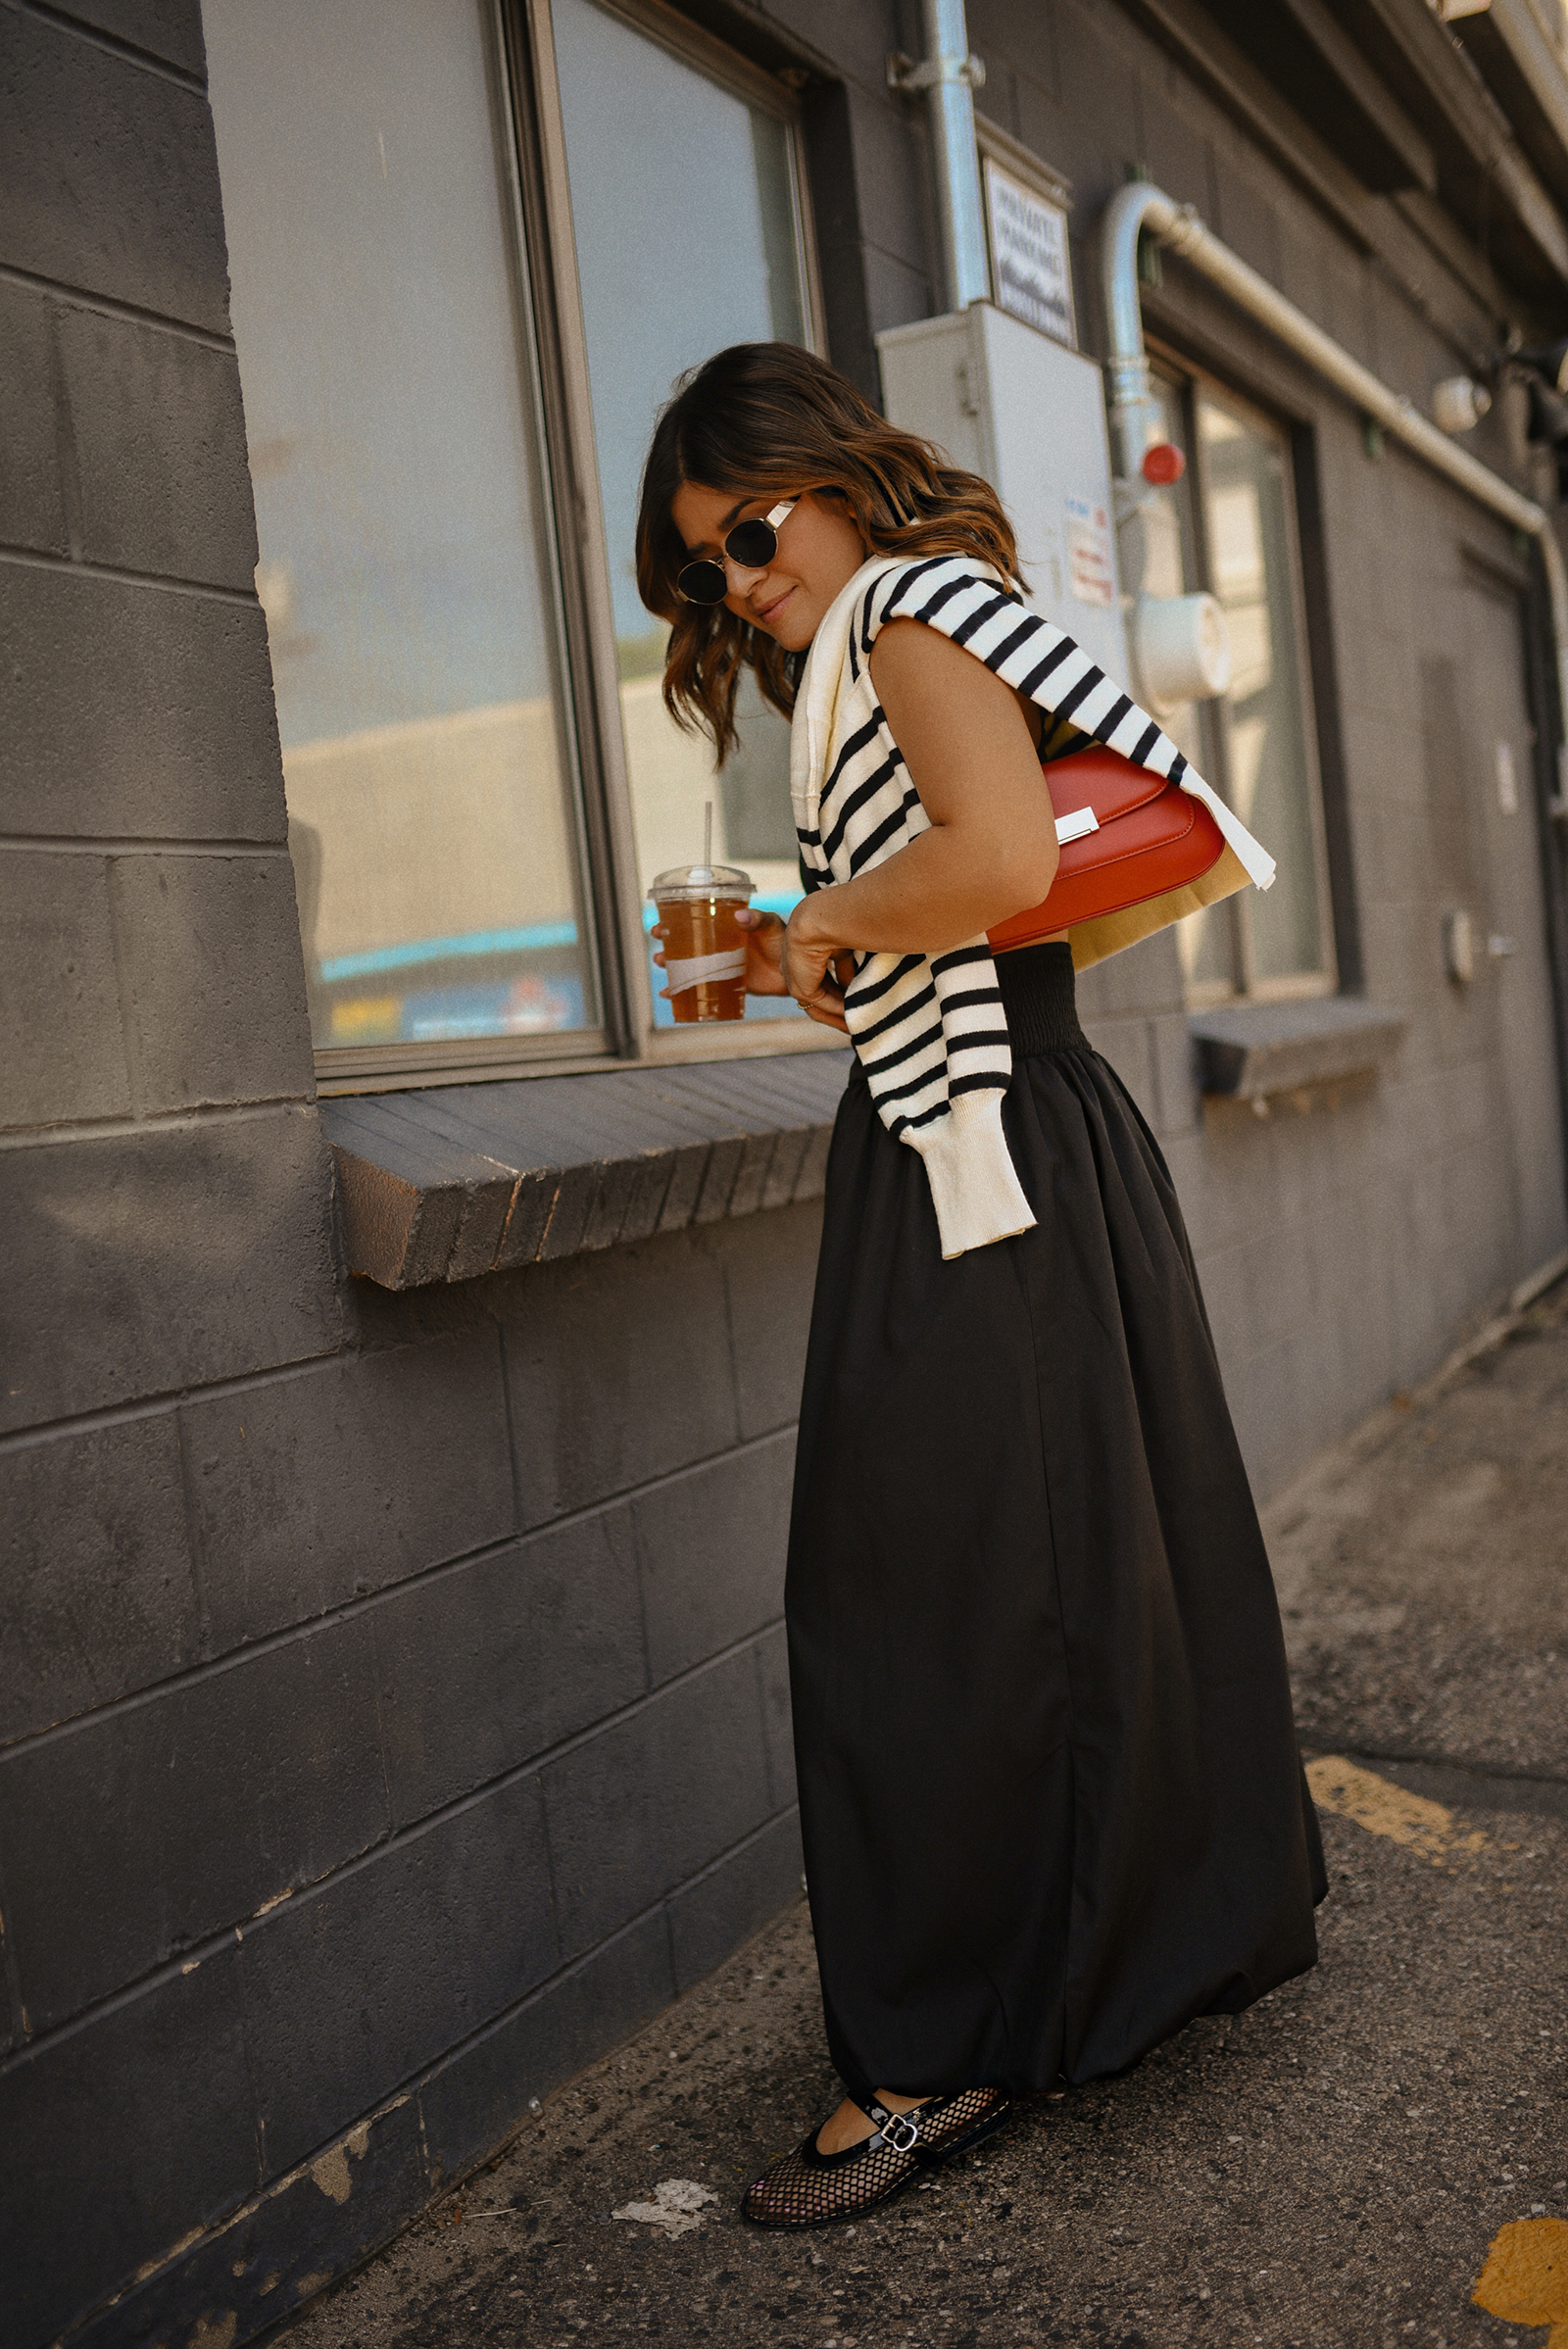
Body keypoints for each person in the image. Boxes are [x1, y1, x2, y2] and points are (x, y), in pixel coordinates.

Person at [635, 342, 1326, 2230]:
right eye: (706, 571)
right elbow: (998, 874)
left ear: (826, 475)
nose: (739, 582)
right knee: (1029, 1575)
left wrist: (827, 919)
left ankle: (940, 2057)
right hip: (991, 1136)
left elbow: (1005, 854)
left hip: (982, 1152)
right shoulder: (898, 618)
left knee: (914, 1601)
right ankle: (1067, 1974)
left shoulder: (903, 612)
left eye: (747, 532)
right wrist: (852, 933)